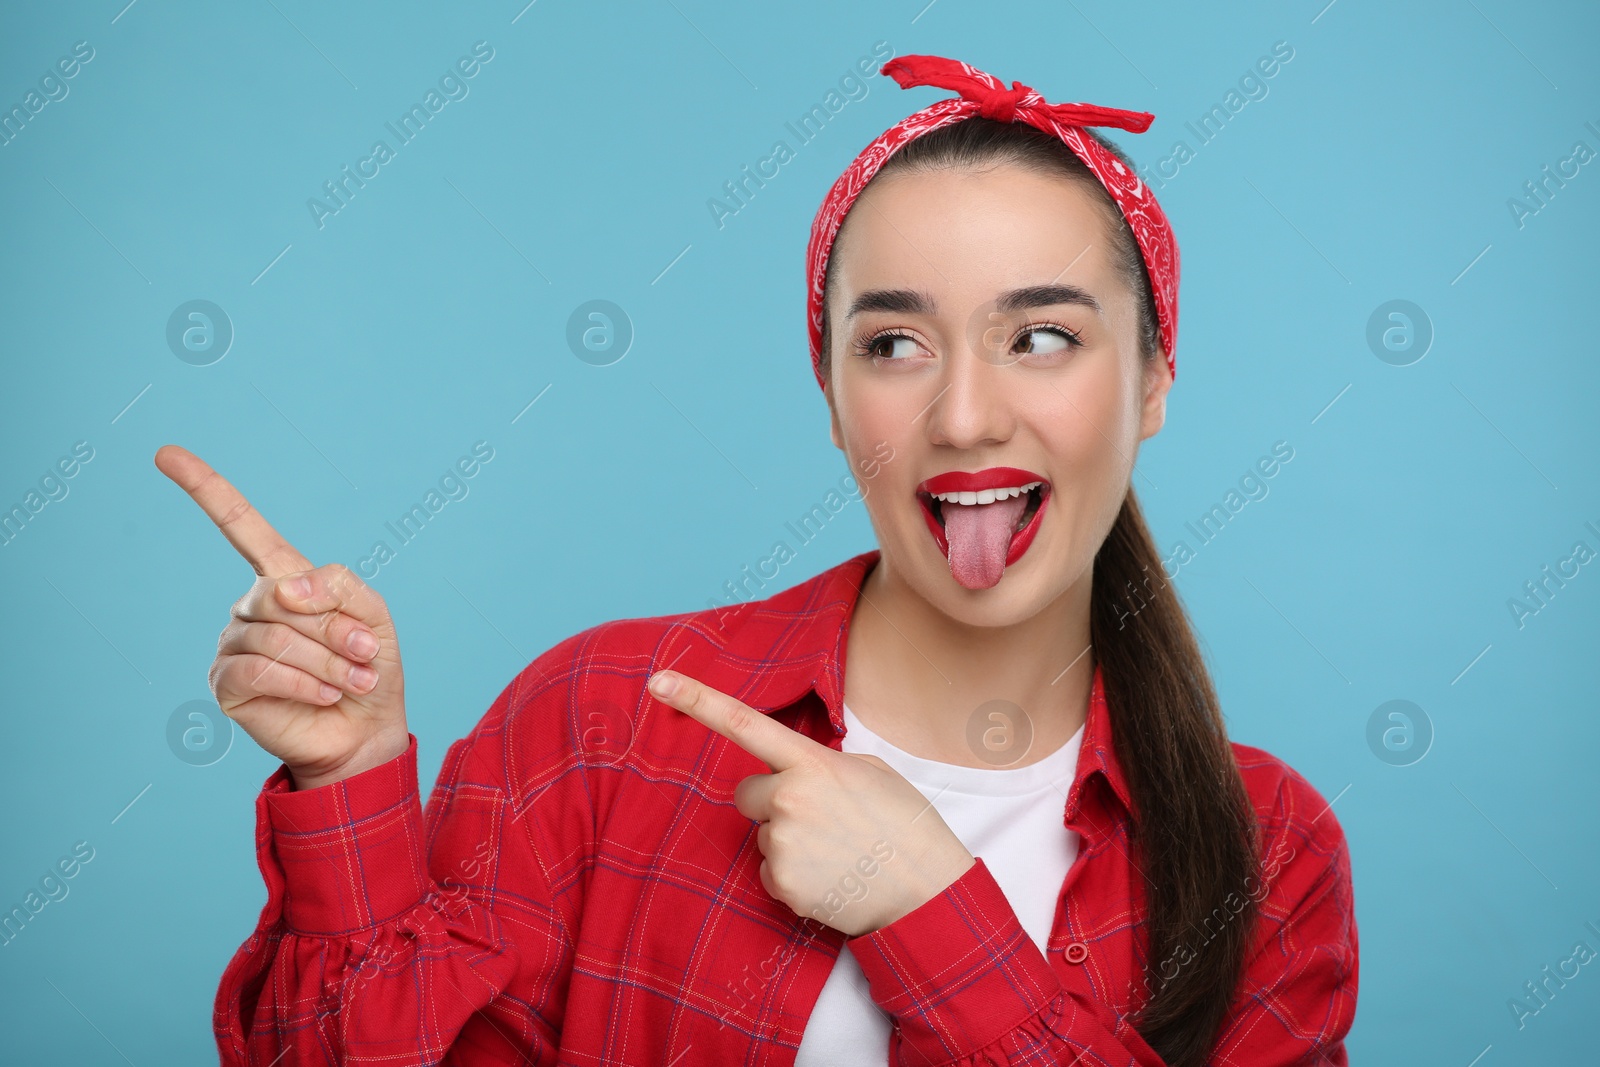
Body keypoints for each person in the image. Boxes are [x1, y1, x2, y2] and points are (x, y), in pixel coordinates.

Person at [159, 53, 1356, 1067]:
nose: (964, 413)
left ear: (1152, 380)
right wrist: (355, 784)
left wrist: (931, 911)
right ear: (832, 395)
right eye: (893, 341)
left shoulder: (1271, 851)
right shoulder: (600, 724)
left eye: (1041, 335)